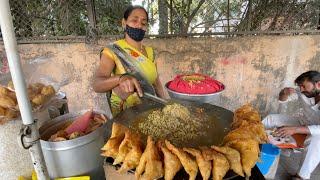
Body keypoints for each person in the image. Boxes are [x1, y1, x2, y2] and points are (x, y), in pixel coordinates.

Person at [93, 5, 165, 115]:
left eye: (143, 23)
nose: (139, 25)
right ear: (124, 23)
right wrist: (121, 79)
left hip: (149, 109)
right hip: (124, 112)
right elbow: (96, 84)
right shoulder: (113, 50)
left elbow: (156, 82)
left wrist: (165, 103)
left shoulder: (150, 52)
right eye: (134, 20)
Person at [262, 70, 320, 180]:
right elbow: (281, 100)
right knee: (271, 119)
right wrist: (284, 93)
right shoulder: (304, 91)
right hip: (302, 122)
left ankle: (302, 176)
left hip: (316, 131)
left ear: (318, 84)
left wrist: (295, 130)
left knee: (317, 140)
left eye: (303, 86)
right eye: (299, 86)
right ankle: (250, 140)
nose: (301, 89)